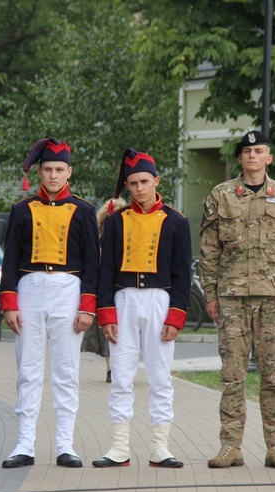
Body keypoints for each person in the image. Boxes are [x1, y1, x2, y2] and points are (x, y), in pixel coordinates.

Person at [198, 130, 275, 470]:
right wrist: (210, 295)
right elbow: (209, 251)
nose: (252, 156)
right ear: (240, 158)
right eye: (247, 151)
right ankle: (230, 446)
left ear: (268, 157)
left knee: (273, 377)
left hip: (272, 298)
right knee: (232, 376)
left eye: (259, 151)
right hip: (231, 299)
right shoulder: (221, 196)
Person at [0, 138, 99, 469]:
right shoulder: (21, 209)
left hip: (68, 290)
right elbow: (11, 258)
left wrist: (87, 306)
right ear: (39, 172)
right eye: (47, 169)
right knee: (27, 371)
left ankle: (65, 445)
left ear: (69, 171)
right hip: (29, 288)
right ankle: (25, 443)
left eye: (59, 169)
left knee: (67, 372)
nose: (53, 175)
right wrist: (9, 302)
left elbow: (92, 263)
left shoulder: (84, 210)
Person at [93, 148, 191, 469]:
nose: (139, 188)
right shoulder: (117, 220)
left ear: (156, 180)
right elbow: (105, 270)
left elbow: (182, 274)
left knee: (160, 376)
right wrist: (105, 311)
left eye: (144, 181)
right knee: (121, 375)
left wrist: (177, 314)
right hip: (123, 300)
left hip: (160, 300)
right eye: (133, 183)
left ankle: (159, 447)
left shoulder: (176, 221)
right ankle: (119, 446)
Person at [81, 198, 126, 383]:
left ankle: (120, 365)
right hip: (104, 285)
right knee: (107, 328)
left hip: (123, 284)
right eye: (111, 210)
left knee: (123, 328)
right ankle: (111, 367)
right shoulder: (98, 232)